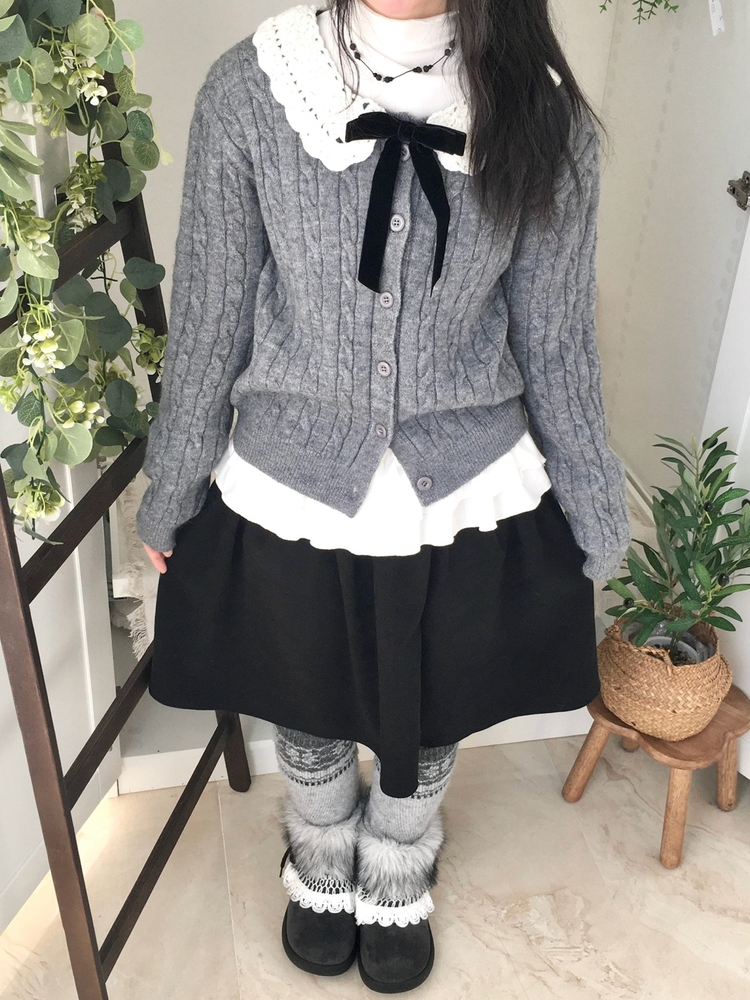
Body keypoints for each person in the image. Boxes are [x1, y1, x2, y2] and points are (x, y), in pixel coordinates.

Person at [136, 0, 631, 992]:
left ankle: (402, 854)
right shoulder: (255, 88)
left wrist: (591, 491)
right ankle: (320, 845)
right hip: (291, 471)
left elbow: (556, 335)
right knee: (304, 680)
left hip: (468, 476)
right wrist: (174, 482)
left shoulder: (543, 114)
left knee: (436, 690)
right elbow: (210, 312)